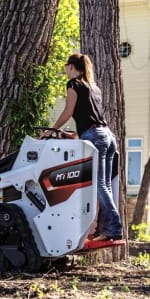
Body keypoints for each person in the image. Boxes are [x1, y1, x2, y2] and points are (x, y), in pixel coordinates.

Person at [41, 53, 123, 241]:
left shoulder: (73, 84)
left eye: (65, 66)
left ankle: (113, 228)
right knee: (105, 185)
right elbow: (92, 119)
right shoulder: (94, 88)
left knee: (100, 184)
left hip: (96, 137)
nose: (65, 70)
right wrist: (75, 136)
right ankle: (107, 229)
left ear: (71, 66)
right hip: (107, 136)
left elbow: (68, 112)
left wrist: (50, 130)